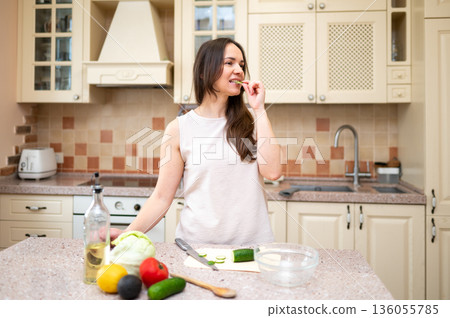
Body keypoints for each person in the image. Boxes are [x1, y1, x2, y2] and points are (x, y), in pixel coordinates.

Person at [111, 37, 281, 245]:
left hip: (252, 247)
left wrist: (259, 109)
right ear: (204, 72)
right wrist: (127, 234)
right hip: (197, 247)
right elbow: (162, 197)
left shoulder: (255, 122)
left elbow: (273, 172)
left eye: (241, 65)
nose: (239, 70)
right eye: (229, 63)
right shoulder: (179, 129)